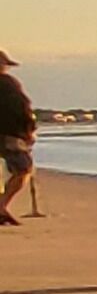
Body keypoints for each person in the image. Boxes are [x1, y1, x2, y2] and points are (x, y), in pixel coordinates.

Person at [0, 50, 36, 224]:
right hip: (10, 134)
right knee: (23, 170)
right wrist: (29, 130)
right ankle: (1, 207)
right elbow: (22, 108)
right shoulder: (8, 84)